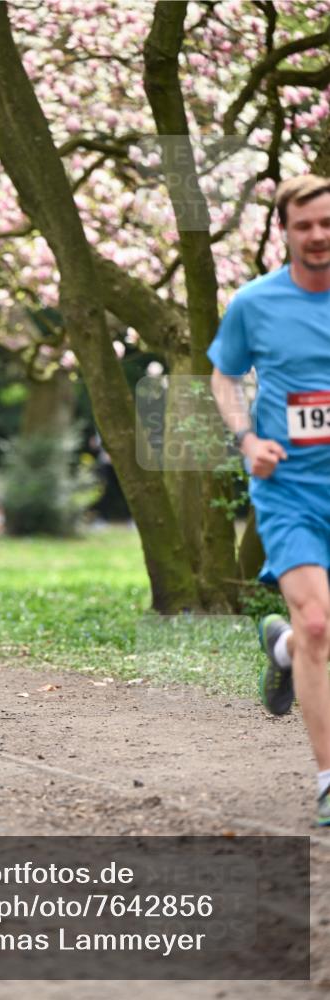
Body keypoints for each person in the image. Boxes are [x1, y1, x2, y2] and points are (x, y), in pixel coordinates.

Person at [208, 174, 330, 827]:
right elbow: (224, 376)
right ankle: (327, 780)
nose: (316, 236)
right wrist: (246, 437)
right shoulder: (254, 303)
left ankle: (278, 651)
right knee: (319, 625)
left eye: (326, 223)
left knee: (307, 636)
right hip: (289, 488)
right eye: (304, 225)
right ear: (284, 230)